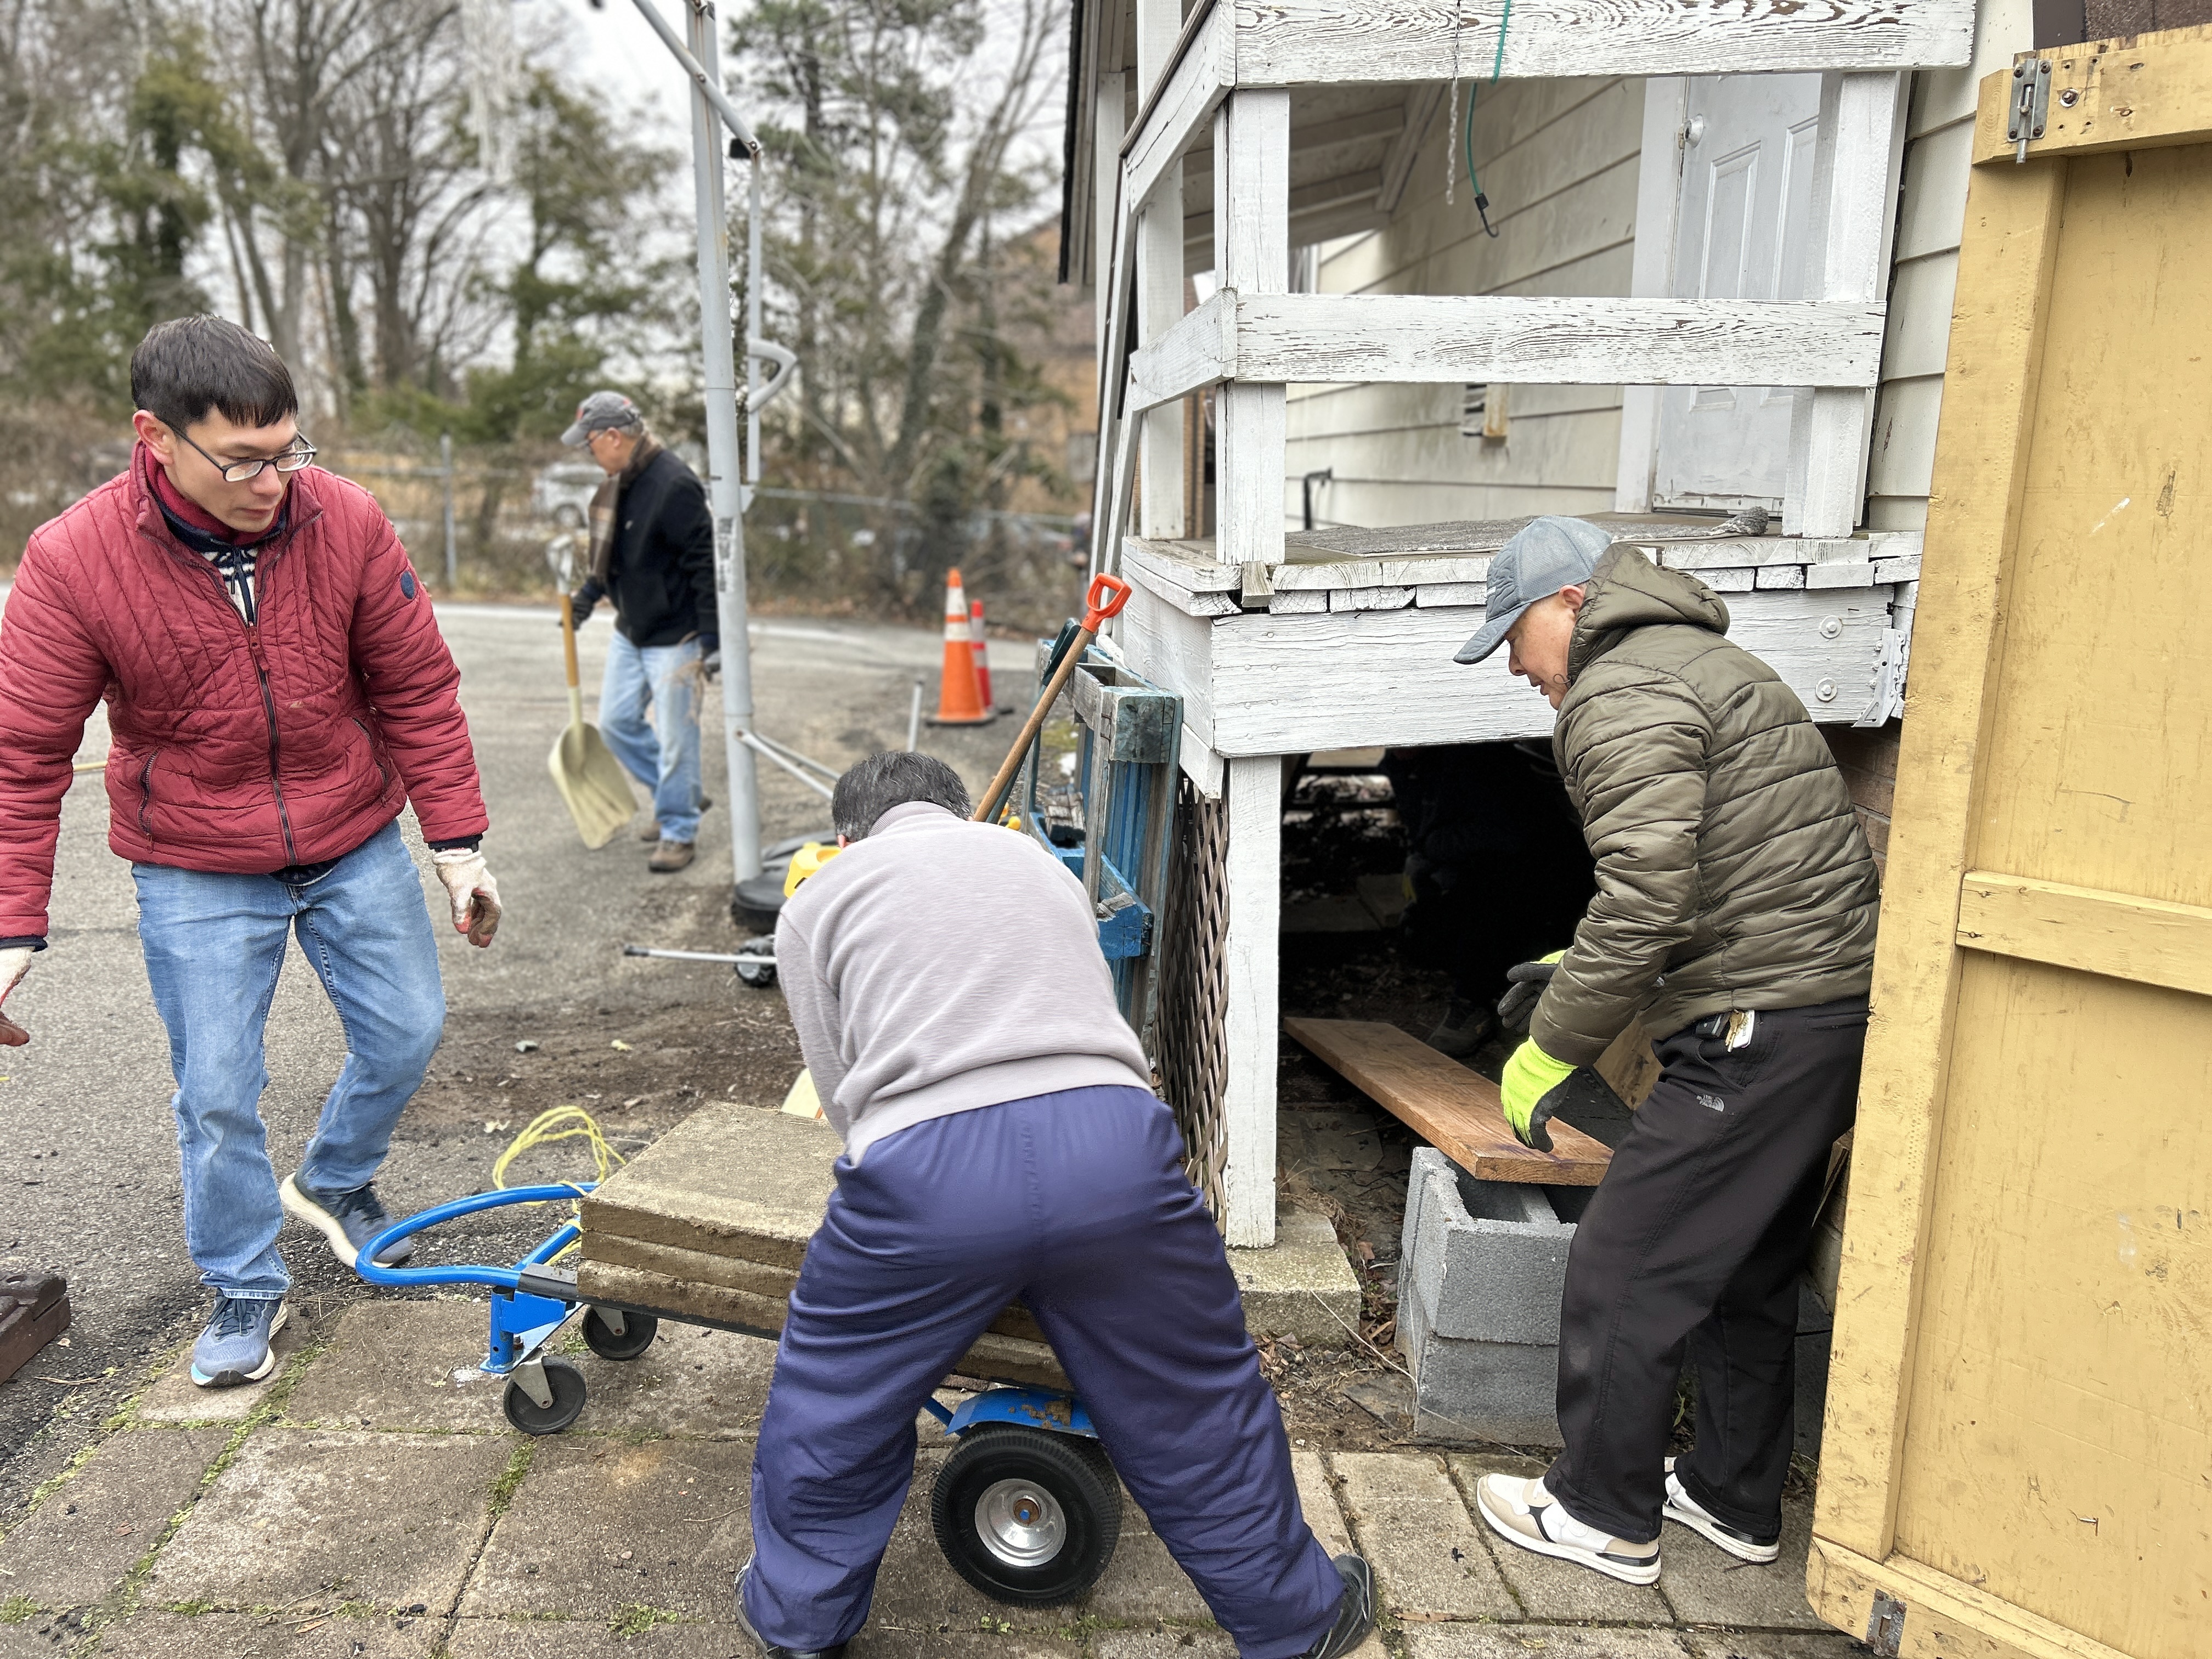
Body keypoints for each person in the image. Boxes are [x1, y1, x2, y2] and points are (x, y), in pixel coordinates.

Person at [739, 752, 1375, 1659]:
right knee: (1196, 1396)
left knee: (834, 1401)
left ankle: (801, 1624)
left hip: (929, 1171)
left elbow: (841, 1088)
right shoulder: (1038, 863)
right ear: (964, 811)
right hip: (1113, 1143)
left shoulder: (819, 900)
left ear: (847, 839)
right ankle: (1297, 1620)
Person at [0, 315, 501, 1389]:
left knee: (408, 1029)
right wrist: (11, 924)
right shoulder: (73, 559)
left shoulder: (345, 518)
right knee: (218, 1091)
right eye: (242, 460)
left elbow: (417, 687)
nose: (274, 482)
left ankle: (337, 1177)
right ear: (155, 436)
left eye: (287, 452)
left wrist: (457, 843)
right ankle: (242, 1280)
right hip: (194, 860)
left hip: (350, 829)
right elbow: (22, 756)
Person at [1451, 516, 1879, 1584]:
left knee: (1625, 1261)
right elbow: (1711, 866)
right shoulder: (1701, 659)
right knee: (1747, 1262)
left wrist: (1552, 1044)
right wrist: (1593, 961)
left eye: (1514, 634)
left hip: (1756, 1023)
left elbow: (1645, 897)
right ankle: (1732, 1495)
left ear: (1569, 602)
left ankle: (1601, 1510)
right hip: (1820, 1012)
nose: (1514, 665)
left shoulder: (1617, 689)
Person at [558, 390, 718, 873]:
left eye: (589, 443)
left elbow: (704, 567)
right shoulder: (619, 482)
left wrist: (712, 641)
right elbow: (616, 558)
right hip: (632, 630)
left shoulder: (674, 485)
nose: (588, 453)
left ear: (613, 436)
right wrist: (587, 597)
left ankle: (679, 829)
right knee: (617, 724)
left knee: (677, 740)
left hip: (676, 636)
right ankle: (680, 795)